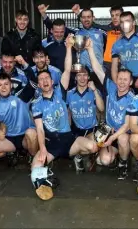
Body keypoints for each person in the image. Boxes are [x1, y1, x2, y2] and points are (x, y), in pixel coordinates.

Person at [29, 35, 99, 200]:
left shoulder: (61, 91)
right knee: (35, 167)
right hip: (51, 143)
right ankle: (46, 174)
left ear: (52, 80)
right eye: (41, 80)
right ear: (38, 85)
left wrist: (68, 47)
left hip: (69, 140)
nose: (45, 81)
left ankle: (77, 156)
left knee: (93, 147)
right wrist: (43, 150)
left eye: (47, 78)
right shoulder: (36, 103)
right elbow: (39, 128)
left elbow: (67, 69)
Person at [86, 36, 134, 180]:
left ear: (131, 82)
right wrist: (89, 49)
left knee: (123, 139)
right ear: (116, 78)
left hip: (123, 132)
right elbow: (96, 68)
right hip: (108, 129)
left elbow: (126, 126)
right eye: (120, 78)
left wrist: (112, 137)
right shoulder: (111, 87)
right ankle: (116, 153)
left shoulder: (133, 99)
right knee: (104, 160)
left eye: (125, 80)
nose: (122, 82)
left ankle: (123, 164)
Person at [0, 55, 38, 165]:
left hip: (25, 138)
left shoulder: (21, 97)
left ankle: (33, 157)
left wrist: (25, 64)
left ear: (11, 85)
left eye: (6, 84)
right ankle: (10, 152)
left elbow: (34, 82)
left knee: (31, 133)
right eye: (0, 85)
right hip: (9, 139)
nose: (3, 87)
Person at [111, 11, 138, 93]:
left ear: (134, 22)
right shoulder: (117, 44)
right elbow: (114, 67)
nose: (124, 24)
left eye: (127, 21)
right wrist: (116, 83)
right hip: (125, 81)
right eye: (122, 22)